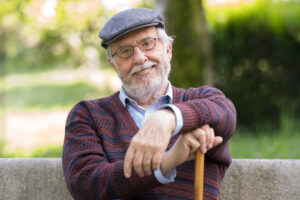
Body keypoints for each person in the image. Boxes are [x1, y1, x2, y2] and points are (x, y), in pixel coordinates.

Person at [62, 7, 236, 200]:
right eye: (125, 52)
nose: (139, 58)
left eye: (147, 44)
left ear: (168, 49)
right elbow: (86, 184)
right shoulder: (88, 115)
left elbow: (226, 113)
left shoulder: (201, 100)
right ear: (114, 64)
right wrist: (165, 163)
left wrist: (168, 118)